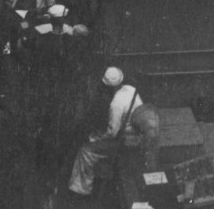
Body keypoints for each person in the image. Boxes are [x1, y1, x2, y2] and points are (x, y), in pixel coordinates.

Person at [68, 67, 159, 196]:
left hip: (125, 141)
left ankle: (80, 190)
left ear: (107, 87)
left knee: (85, 150)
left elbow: (112, 132)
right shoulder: (131, 89)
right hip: (138, 136)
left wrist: (94, 137)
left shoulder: (116, 104)